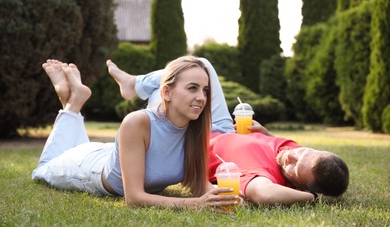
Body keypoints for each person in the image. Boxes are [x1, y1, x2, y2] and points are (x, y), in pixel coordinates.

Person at [107, 56, 349, 206]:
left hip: (197, 130)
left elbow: (263, 195)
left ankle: (137, 86)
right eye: (302, 151)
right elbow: (292, 153)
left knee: (184, 91)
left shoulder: (264, 177)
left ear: (298, 185)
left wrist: (314, 198)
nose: (291, 155)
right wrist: (266, 135)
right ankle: (135, 84)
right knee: (203, 65)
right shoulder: (291, 151)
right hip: (223, 127)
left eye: (295, 166)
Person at [32, 57, 240, 210]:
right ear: (166, 93)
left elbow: (199, 185)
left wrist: (222, 196)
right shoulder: (138, 122)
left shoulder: (197, 127)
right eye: (192, 88)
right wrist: (195, 205)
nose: (202, 97)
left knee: (74, 143)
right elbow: (134, 198)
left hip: (117, 153)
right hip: (87, 169)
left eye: (204, 90)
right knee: (41, 170)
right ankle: (72, 104)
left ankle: (73, 99)